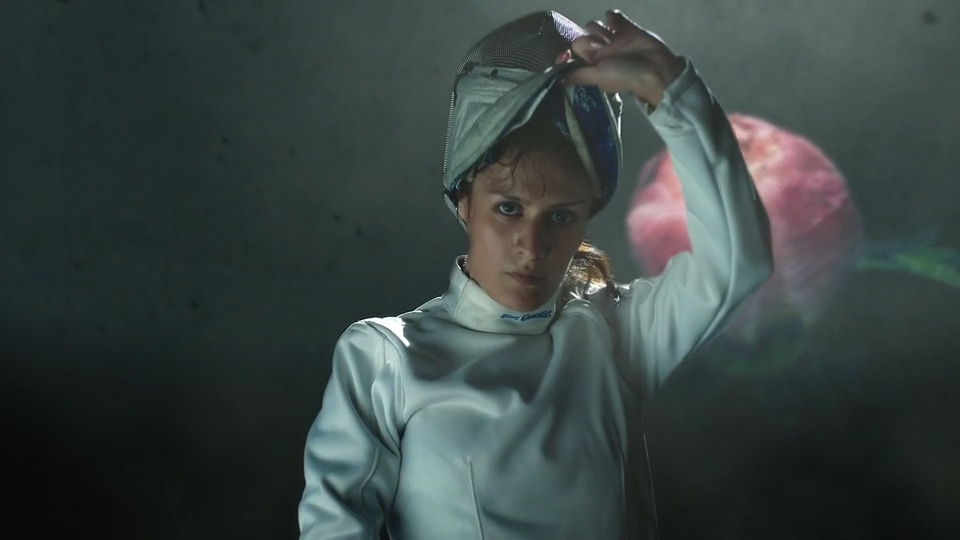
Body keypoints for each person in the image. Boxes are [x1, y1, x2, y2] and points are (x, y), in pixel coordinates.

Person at [298, 8, 772, 540]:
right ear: (463, 200)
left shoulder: (616, 335)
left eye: (561, 217)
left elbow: (739, 264)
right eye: (508, 209)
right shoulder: (385, 358)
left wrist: (669, 88)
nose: (532, 245)